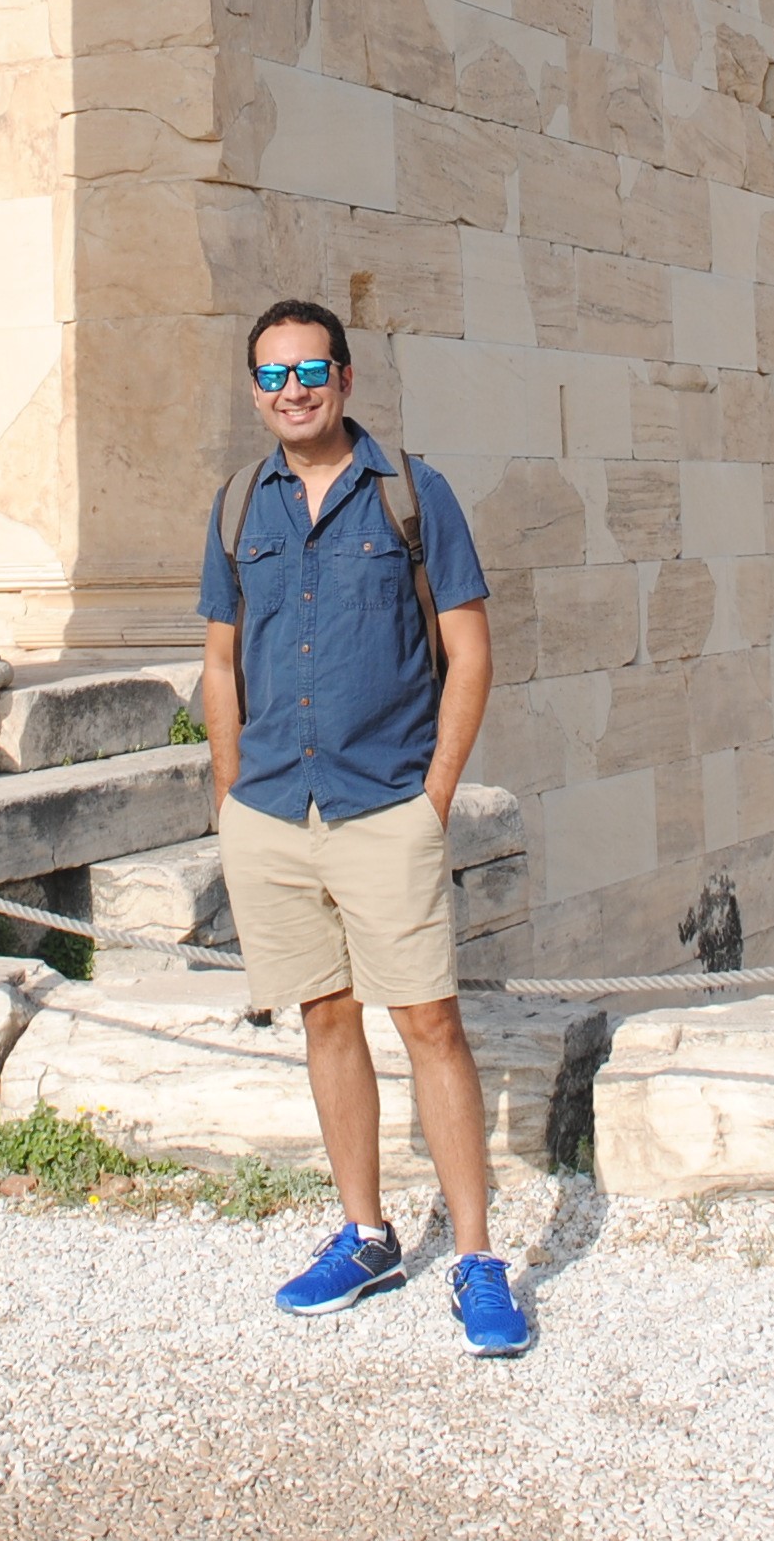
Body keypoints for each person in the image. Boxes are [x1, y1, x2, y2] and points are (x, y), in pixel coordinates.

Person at [197, 297, 530, 1358]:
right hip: (271, 812)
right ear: (256, 391)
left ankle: (477, 1257)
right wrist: (227, 790)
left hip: (385, 802)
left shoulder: (411, 495)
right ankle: (367, 1231)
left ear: (342, 377)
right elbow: (218, 657)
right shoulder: (236, 504)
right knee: (325, 1017)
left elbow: (469, 650)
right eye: (273, 374)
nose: (292, 389)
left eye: (309, 369)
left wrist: (433, 795)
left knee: (430, 1023)